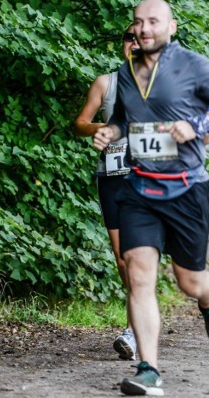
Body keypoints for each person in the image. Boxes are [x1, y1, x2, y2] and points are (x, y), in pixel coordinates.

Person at [93, 0, 209, 396]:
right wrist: (111, 132)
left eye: (153, 22)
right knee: (138, 274)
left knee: (188, 280)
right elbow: (124, 121)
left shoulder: (194, 65)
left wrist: (200, 123)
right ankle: (148, 369)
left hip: (185, 188)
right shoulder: (125, 72)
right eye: (138, 22)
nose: (144, 29)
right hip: (138, 187)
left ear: (171, 26)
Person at [73, 25, 139, 361]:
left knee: (140, 255)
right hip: (113, 175)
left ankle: (135, 329)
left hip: (148, 177)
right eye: (130, 37)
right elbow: (80, 123)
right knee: (123, 259)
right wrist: (105, 127)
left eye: (143, 37)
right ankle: (137, 324)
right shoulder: (106, 82)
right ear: (123, 44)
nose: (136, 42)